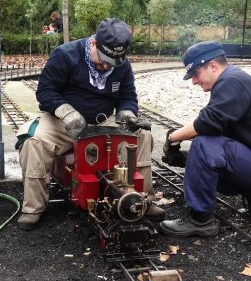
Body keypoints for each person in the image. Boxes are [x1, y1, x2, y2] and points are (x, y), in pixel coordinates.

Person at [16, 18, 165, 230]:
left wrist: (127, 113)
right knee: (34, 141)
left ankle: (141, 200)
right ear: (94, 42)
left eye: (112, 63)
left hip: (105, 121)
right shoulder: (65, 55)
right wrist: (66, 112)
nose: (106, 66)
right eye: (102, 60)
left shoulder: (122, 65)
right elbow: (45, 92)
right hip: (64, 122)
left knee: (142, 136)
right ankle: (33, 208)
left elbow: (128, 96)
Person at [159, 40, 251, 238]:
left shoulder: (233, 80)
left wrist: (172, 137)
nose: (194, 81)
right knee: (204, 144)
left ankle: (201, 221)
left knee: (203, 143)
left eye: (195, 74)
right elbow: (222, 135)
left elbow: (208, 124)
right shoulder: (233, 81)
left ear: (212, 66)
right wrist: (186, 159)